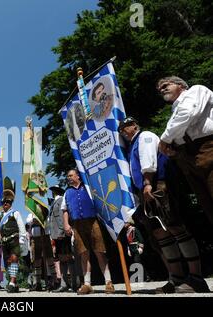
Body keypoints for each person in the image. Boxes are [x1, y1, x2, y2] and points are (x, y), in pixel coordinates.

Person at [119, 116, 210, 293]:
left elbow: (149, 161)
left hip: (157, 185)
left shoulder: (145, 136)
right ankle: (176, 278)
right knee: (160, 232)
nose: (123, 130)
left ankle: (196, 278)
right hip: (147, 189)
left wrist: (147, 183)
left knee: (174, 226)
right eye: (121, 129)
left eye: (126, 126)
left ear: (135, 125)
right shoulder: (131, 146)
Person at [157, 76, 213, 224]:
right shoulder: (174, 113)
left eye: (165, 85)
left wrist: (165, 139)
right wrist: (174, 150)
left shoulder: (195, 91)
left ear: (180, 84)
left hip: (208, 148)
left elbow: (188, 113)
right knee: (208, 205)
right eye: (160, 89)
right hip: (188, 157)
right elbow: (178, 127)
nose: (162, 90)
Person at [62, 169, 115, 295]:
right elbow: (64, 210)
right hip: (77, 225)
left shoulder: (88, 187)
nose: (68, 178)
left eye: (70, 175)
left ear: (78, 176)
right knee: (83, 253)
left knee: (99, 251)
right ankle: (87, 284)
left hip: (93, 222)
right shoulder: (67, 192)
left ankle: (108, 282)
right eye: (67, 176)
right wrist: (66, 224)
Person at [0, 178, 27, 293]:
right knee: (8, 262)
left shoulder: (15, 213)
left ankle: (12, 282)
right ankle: (14, 283)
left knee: (14, 259)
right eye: (3, 203)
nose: (5, 205)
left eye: (7, 203)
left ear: (11, 203)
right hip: (4, 241)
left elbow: (22, 227)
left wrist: (22, 240)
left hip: (14, 240)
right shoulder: (0, 216)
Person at [48, 185, 77, 292]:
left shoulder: (60, 200)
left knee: (68, 258)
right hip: (56, 234)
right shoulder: (54, 202)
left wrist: (61, 232)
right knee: (61, 259)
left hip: (62, 234)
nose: (52, 192)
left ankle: (74, 283)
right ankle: (64, 284)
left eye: (53, 191)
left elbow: (61, 217)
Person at [27, 211, 57, 292]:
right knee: (37, 260)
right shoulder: (31, 213)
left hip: (45, 237)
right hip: (35, 238)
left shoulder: (45, 212)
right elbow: (29, 222)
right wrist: (36, 220)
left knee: (50, 258)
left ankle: (55, 281)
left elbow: (48, 223)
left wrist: (39, 220)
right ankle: (38, 283)